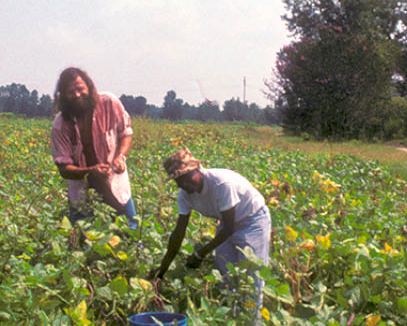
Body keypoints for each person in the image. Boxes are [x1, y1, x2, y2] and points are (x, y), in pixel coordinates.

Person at [150, 148, 271, 313]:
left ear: (198, 169)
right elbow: (178, 234)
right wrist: (162, 271)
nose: (184, 184)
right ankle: (231, 319)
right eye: (179, 181)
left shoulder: (221, 184)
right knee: (225, 274)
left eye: (187, 177)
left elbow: (229, 228)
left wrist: (200, 254)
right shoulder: (185, 195)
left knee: (252, 277)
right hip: (227, 224)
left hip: (253, 220)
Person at [50, 67, 137, 230]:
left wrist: (120, 157)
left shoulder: (109, 103)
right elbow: (64, 169)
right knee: (84, 242)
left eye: (80, 88)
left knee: (130, 234)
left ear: (88, 87)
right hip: (82, 191)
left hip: (115, 183)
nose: (77, 95)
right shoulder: (60, 125)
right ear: (62, 95)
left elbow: (125, 132)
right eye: (70, 92)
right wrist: (91, 171)